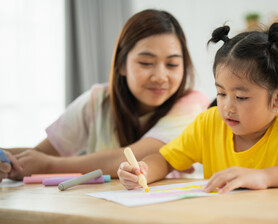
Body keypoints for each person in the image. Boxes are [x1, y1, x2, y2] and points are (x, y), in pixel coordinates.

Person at [118, 22, 278, 193]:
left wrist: (264, 176)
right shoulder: (209, 123)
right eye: (221, 93)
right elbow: (166, 159)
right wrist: (144, 171)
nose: (227, 107)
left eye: (241, 97)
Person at [0, 9, 210, 182]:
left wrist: (49, 166)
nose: (160, 76)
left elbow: (133, 157)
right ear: (121, 65)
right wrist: (7, 160)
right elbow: (39, 155)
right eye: (146, 63)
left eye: (172, 64)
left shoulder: (194, 105)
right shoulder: (98, 100)